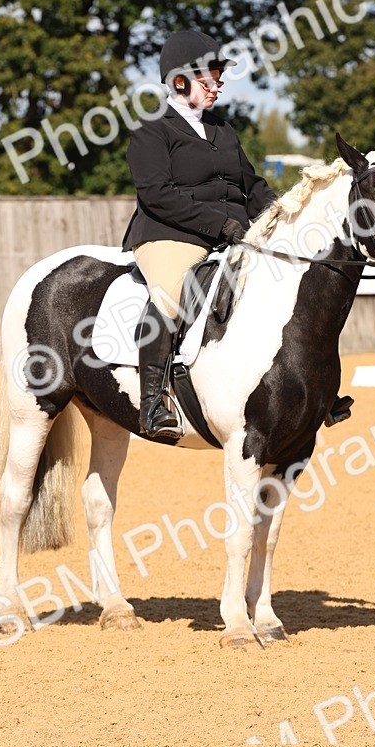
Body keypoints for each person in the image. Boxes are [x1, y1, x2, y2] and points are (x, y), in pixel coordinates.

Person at [122, 29, 277, 440]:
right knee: (171, 294)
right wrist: (219, 225)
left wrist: (282, 216)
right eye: (210, 74)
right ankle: (153, 402)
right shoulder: (152, 131)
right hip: (170, 235)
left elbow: (252, 184)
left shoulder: (223, 130)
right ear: (179, 80)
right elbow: (157, 195)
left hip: (230, 235)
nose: (218, 82)